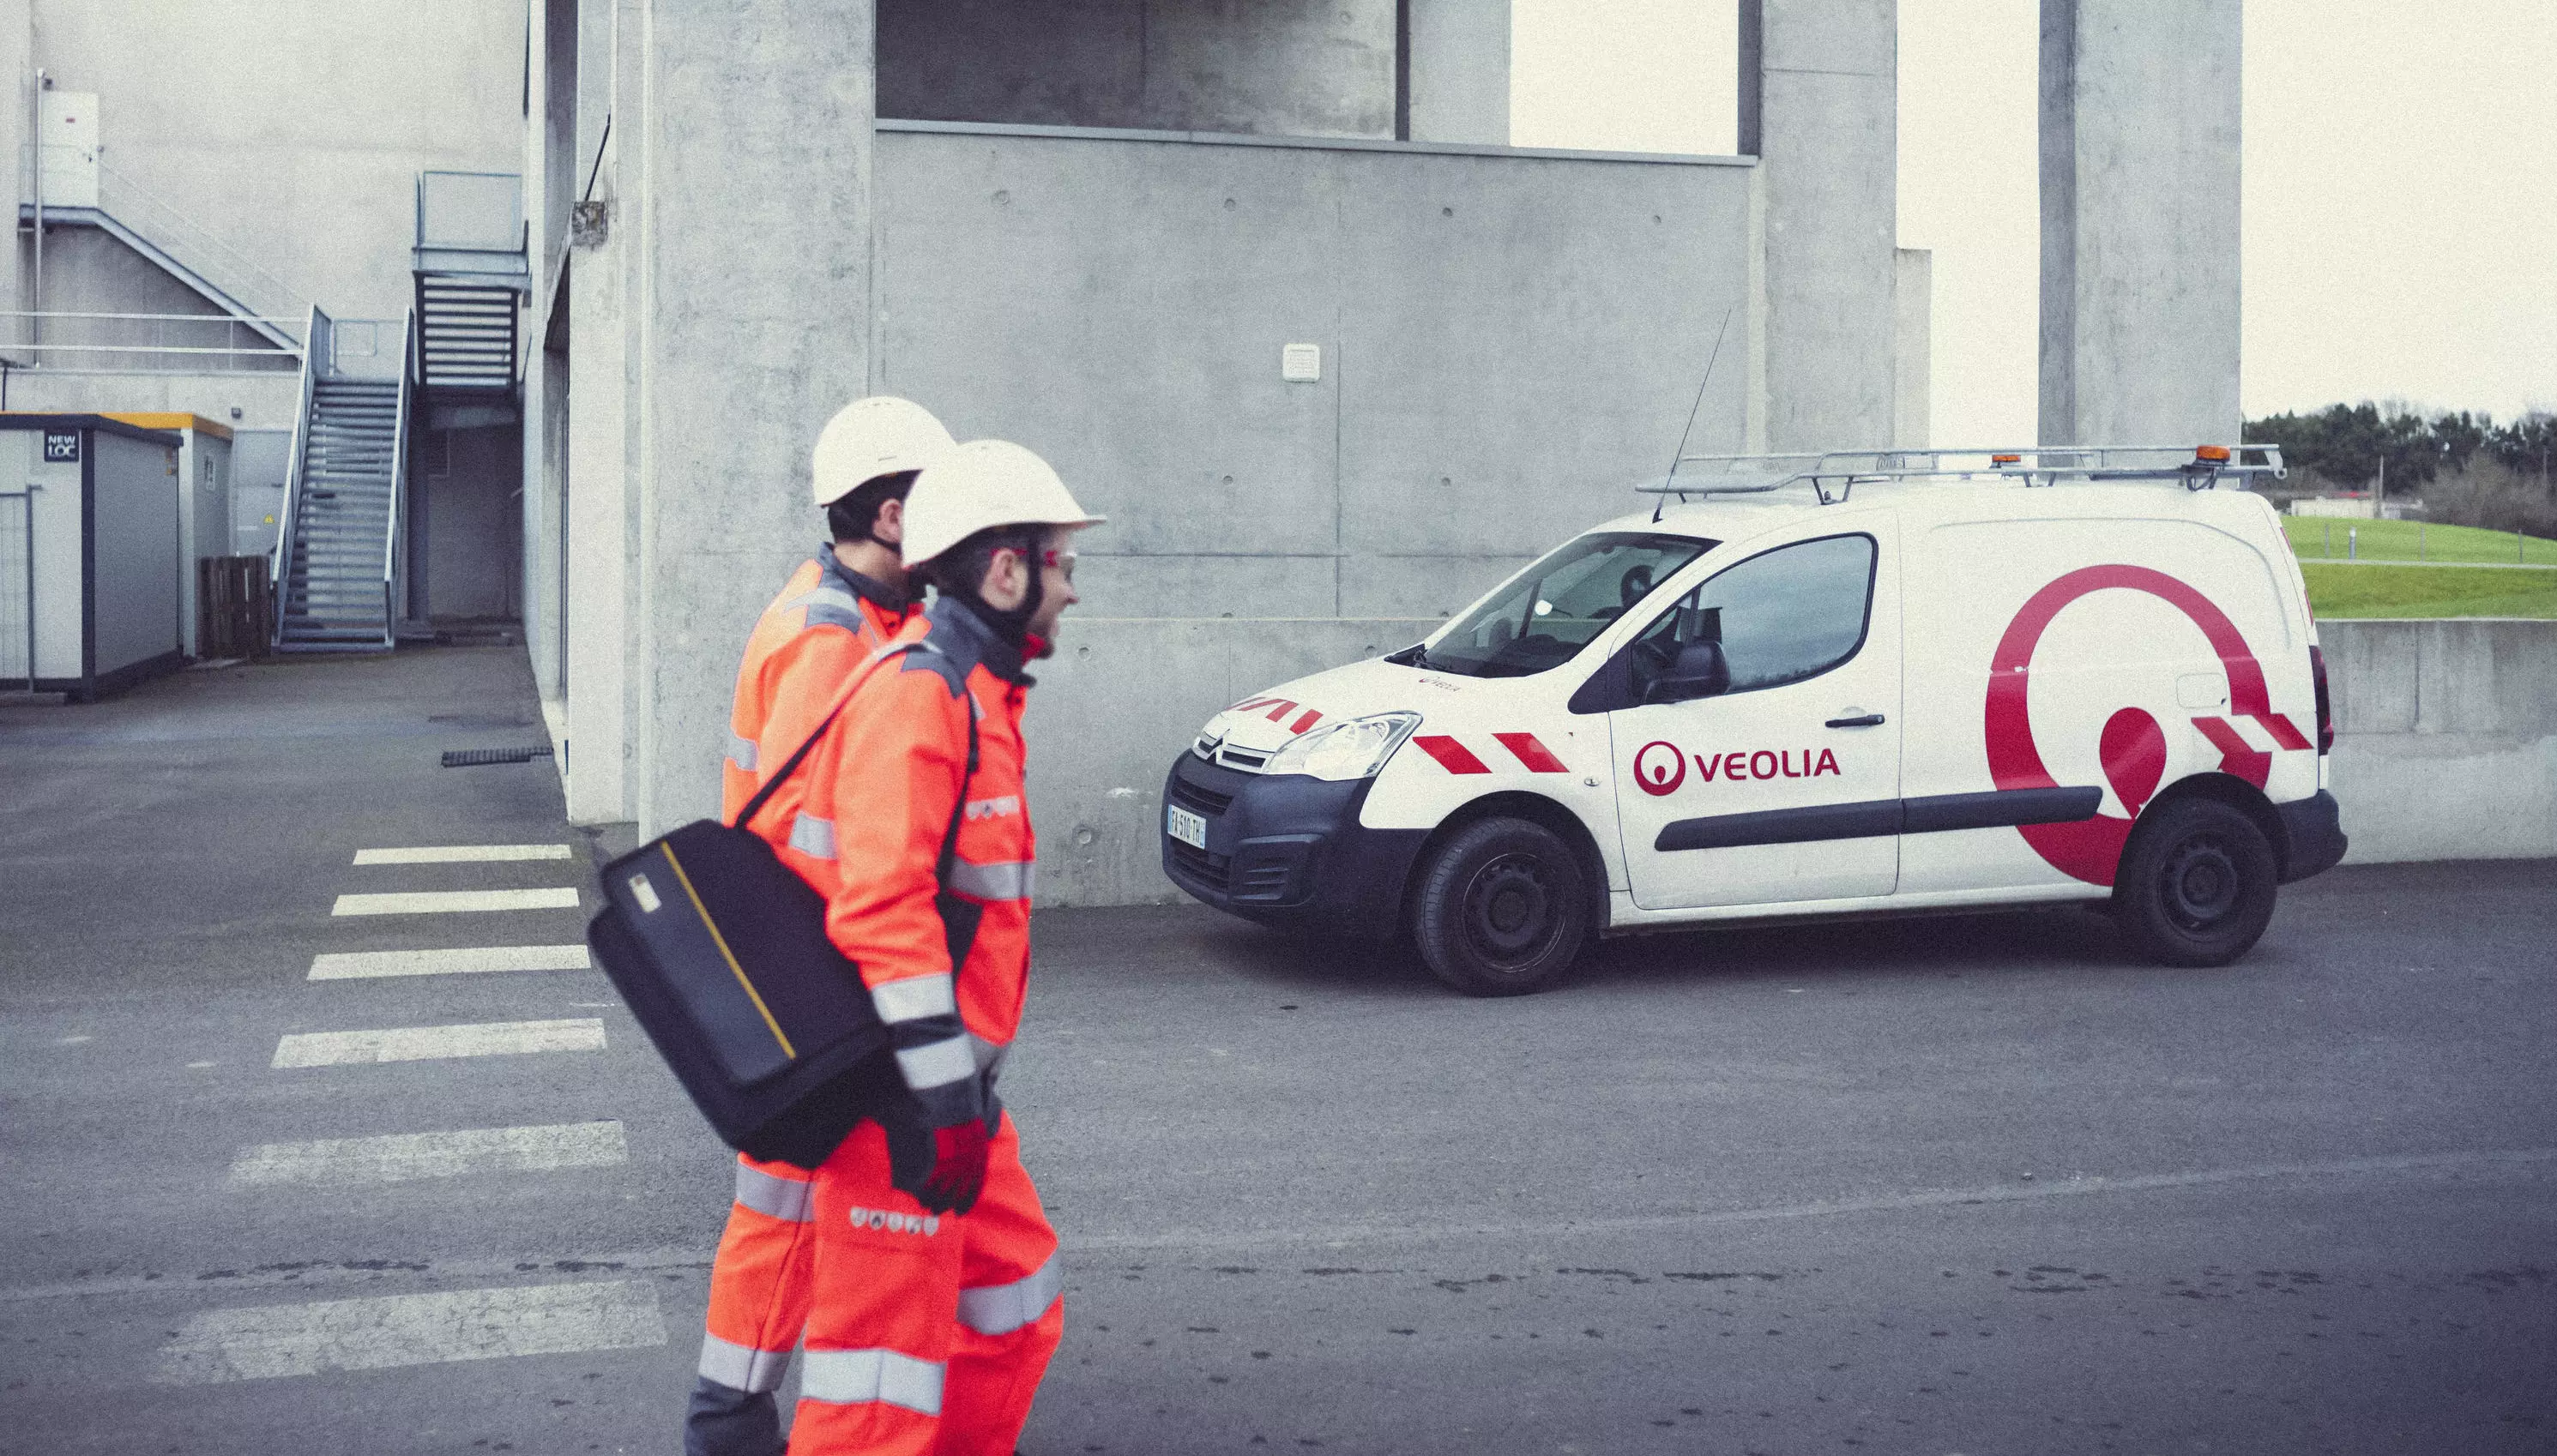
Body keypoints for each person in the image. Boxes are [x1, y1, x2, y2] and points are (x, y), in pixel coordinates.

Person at [703, 437, 1101, 1456]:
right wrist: (938, 1103)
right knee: (875, 1391)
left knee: (1012, 1301)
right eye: (1059, 563)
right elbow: (881, 915)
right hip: (904, 1108)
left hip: (949, 1100)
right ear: (1004, 572)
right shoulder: (918, 696)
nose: (1070, 588)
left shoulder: (976, 696)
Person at [688, 396, 956, 1456]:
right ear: (892, 516)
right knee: (789, 1210)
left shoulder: (867, 620)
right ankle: (731, 1420)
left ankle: (736, 1413)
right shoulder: (829, 638)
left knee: (792, 1207)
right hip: (815, 988)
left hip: (810, 982)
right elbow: (811, 845)